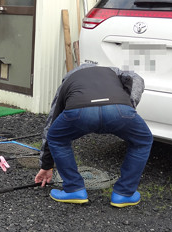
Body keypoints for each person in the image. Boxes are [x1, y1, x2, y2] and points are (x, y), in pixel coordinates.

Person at [34, 64, 153, 208]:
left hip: (80, 111)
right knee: (143, 140)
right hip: (118, 109)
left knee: (56, 137)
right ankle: (124, 194)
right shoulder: (115, 72)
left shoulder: (68, 80)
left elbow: (51, 122)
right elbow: (137, 79)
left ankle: (73, 189)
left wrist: (46, 166)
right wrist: (127, 107)